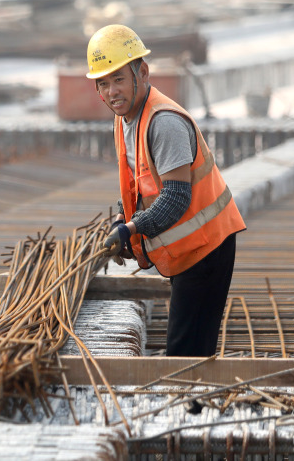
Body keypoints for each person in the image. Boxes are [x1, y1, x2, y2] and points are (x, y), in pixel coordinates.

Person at [89, 24, 245, 357]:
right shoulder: (128, 118)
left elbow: (175, 197)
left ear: (141, 72)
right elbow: (140, 183)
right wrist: (121, 214)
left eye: (118, 79)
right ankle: (196, 405)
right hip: (188, 249)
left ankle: (194, 406)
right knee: (189, 351)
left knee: (184, 357)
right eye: (103, 83)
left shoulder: (164, 123)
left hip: (207, 248)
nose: (111, 91)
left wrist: (131, 229)